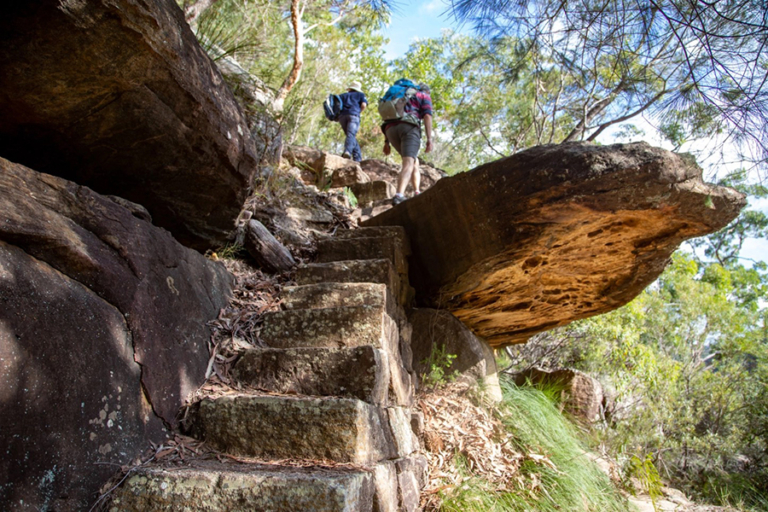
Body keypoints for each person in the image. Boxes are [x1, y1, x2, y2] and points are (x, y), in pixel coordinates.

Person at [381, 81, 433, 205]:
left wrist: (387, 142)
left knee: (414, 160)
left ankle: (416, 191)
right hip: (408, 127)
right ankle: (399, 195)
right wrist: (429, 139)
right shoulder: (423, 96)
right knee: (408, 162)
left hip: (389, 130)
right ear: (426, 91)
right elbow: (427, 116)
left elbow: (389, 115)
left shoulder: (401, 95)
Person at [337, 81, 367, 162]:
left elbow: (337, 106)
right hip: (353, 116)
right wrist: (358, 112)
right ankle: (347, 152)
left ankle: (357, 158)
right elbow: (363, 105)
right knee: (351, 135)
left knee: (350, 135)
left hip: (342, 117)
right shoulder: (360, 95)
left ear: (350, 88)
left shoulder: (342, 95)